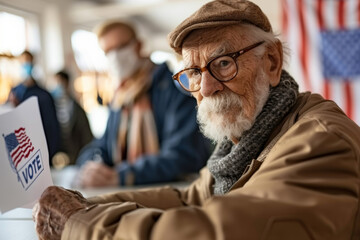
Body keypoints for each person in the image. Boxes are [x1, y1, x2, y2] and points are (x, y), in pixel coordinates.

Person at [33, 0, 360, 239]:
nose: (205, 87)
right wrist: (85, 204)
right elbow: (189, 197)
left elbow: (225, 232)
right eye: (192, 72)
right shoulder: (243, 143)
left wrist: (80, 225)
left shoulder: (320, 139)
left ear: (272, 61)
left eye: (223, 63)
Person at [74, 20, 211, 187]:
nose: (115, 57)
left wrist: (123, 176)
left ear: (138, 46)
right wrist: (94, 164)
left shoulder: (174, 89)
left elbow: (183, 156)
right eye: (107, 52)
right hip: (126, 193)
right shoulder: (120, 98)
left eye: (120, 47)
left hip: (171, 193)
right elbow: (103, 145)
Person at [8, 50, 60, 163]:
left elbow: (52, 127)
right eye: (23, 63)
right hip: (21, 151)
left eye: (28, 62)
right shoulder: (14, 94)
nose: (25, 65)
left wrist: (51, 154)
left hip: (42, 148)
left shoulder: (44, 94)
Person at [51, 70, 93, 165]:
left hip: (75, 157)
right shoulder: (49, 107)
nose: (58, 85)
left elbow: (86, 135)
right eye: (55, 82)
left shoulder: (76, 108)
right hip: (56, 157)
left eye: (60, 82)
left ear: (67, 83)